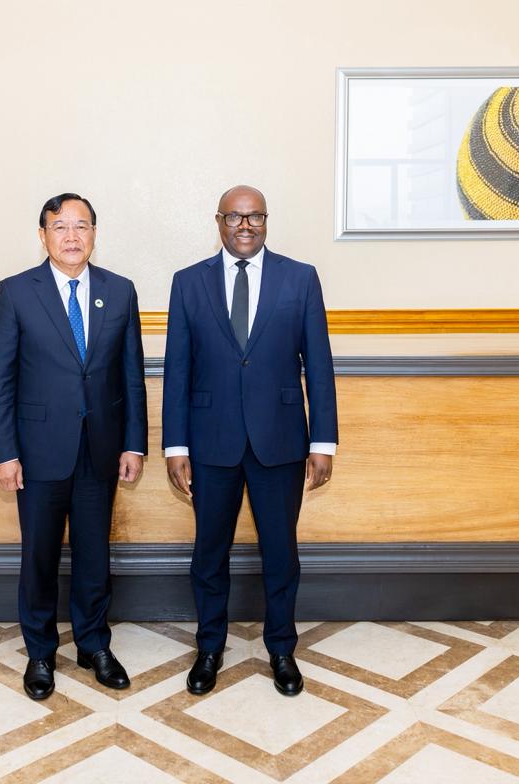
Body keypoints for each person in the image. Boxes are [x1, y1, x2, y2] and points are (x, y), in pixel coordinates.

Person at [162, 185, 337, 697]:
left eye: (255, 216)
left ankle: (281, 649)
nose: (245, 225)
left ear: (266, 221)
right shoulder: (188, 282)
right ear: (219, 221)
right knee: (208, 554)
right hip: (209, 442)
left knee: (281, 554)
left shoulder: (300, 278)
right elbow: (178, 369)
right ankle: (209, 648)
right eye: (235, 217)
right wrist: (176, 446)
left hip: (280, 442)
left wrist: (323, 441)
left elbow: (319, 365)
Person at [0, 193, 147, 700]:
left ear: (95, 233)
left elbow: (132, 376)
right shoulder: (16, 292)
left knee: (95, 555)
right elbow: (0, 382)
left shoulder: (120, 291)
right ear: (43, 236)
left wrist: (134, 444)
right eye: (60, 227)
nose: (72, 236)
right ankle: (40, 652)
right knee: (39, 556)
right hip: (37, 452)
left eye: (81, 226)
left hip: (101, 448)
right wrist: (4, 452)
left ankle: (94, 644)